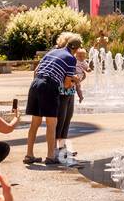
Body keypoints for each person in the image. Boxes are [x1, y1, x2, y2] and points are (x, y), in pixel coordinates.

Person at [24, 34, 82, 166]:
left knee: (35, 123)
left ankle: (29, 155)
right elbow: (67, 84)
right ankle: (51, 156)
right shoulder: (71, 58)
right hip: (49, 86)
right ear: (77, 49)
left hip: (35, 83)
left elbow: (37, 70)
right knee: (52, 123)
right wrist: (76, 80)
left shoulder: (53, 51)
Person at [54, 40, 88, 166]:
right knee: (60, 121)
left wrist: (79, 79)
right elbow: (66, 78)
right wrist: (75, 79)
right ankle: (56, 150)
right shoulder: (64, 57)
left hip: (70, 92)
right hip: (62, 93)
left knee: (67, 120)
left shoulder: (73, 60)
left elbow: (75, 78)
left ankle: (62, 149)